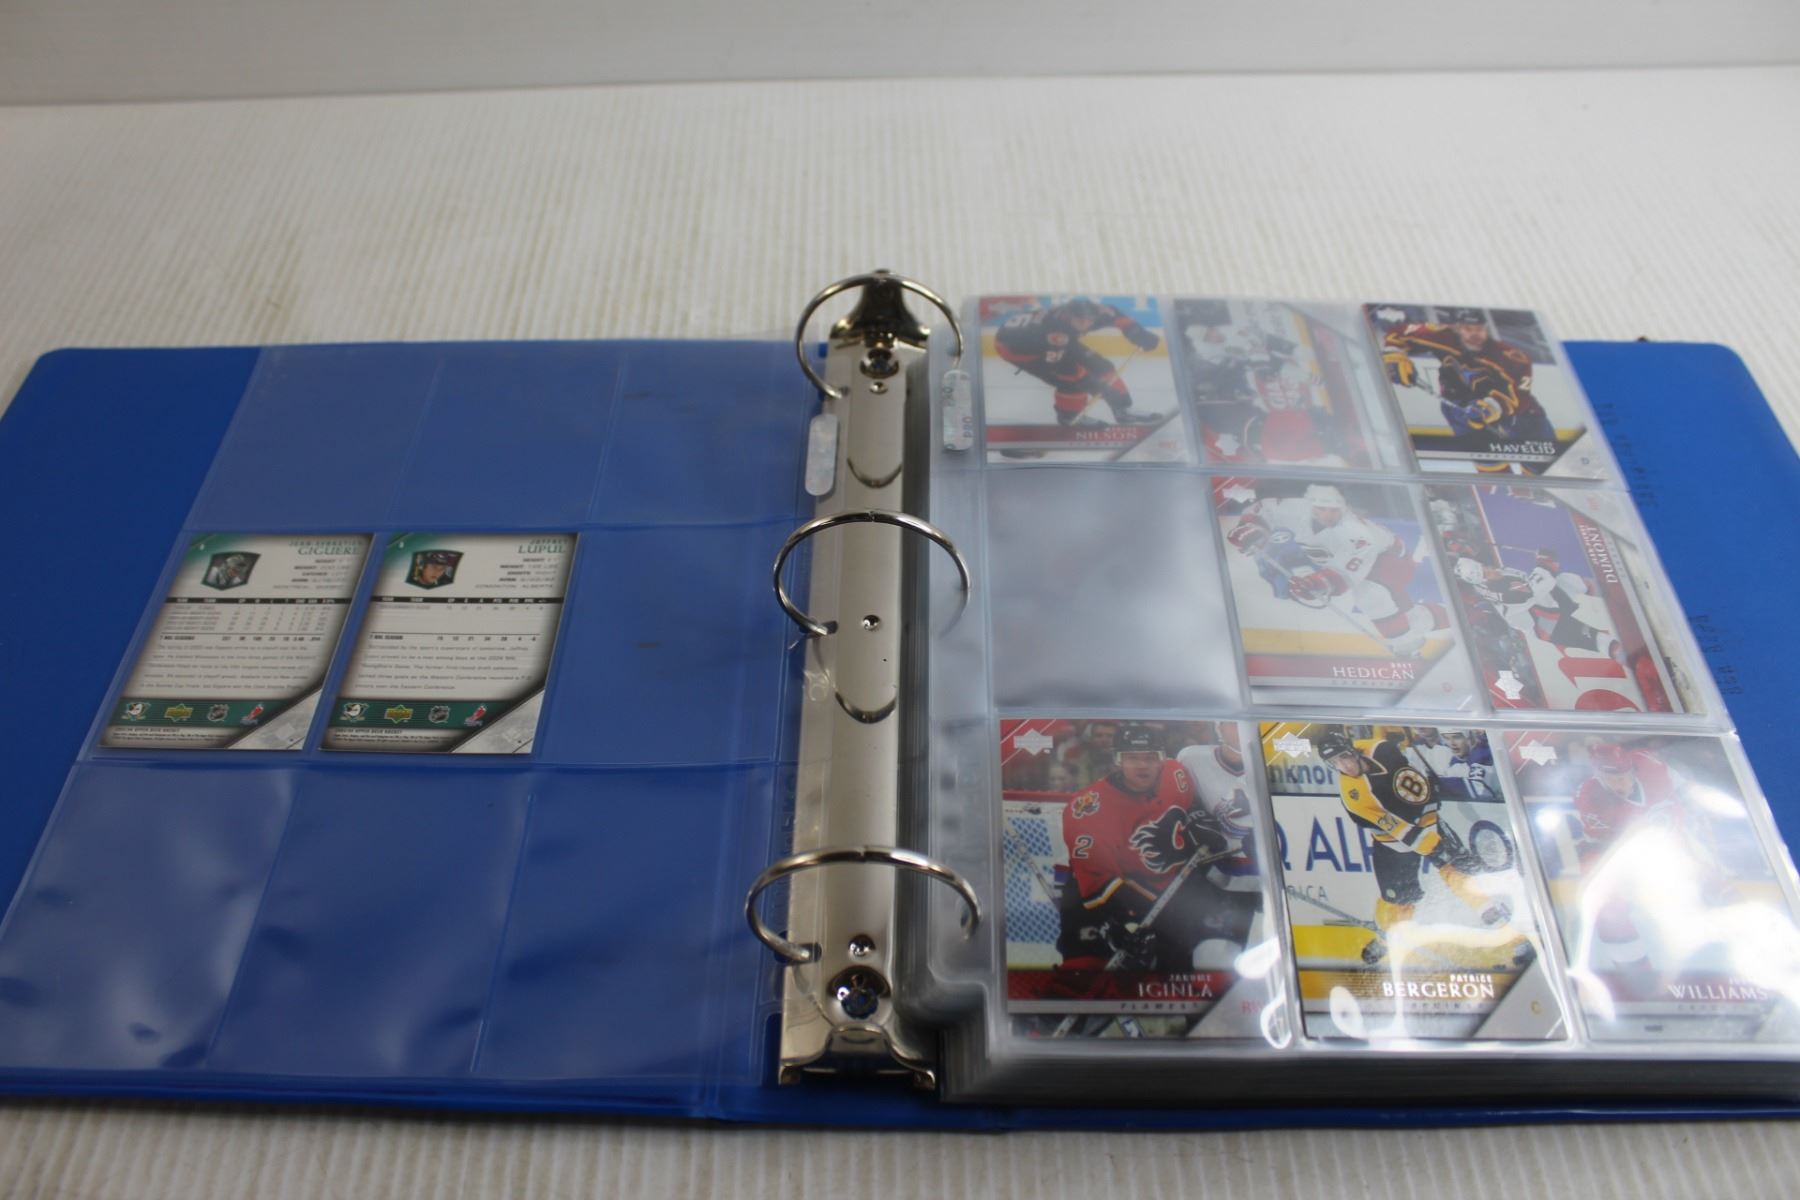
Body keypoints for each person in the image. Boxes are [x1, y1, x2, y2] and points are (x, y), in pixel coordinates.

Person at [1057, 725, 1251, 975]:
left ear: (1162, 759)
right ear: (1117, 760)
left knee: (1179, 971)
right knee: (1086, 972)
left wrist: (1198, 820)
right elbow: (1096, 882)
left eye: (1150, 757)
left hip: (1174, 891)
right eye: (1132, 758)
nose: (1142, 766)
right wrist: (1118, 923)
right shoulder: (1088, 808)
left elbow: (1191, 806)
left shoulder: (1176, 775)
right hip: (1112, 896)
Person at [1316, 729, 1510, 965]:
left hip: (1425, 818)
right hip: (1393, 842)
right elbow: (1397, 829)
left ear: (1353, 749)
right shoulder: (1354, 796)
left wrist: (1434, 824)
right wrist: (1432, 846)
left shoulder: (1381, 749)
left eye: (1344, 757)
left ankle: (1489, 910)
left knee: (1456, 866)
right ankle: (1385, 939)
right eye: (1334, 763)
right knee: (1397, 899)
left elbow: (1414, 779)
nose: (1344, 766)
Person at [1226, 484, 1450, 655]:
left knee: (1370, 595)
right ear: (1310, 505)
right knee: (1407, 615)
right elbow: (1263, 508)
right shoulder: (1296, 509)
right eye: (1321, 509)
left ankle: (1406, 646)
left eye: (1334, 510)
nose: (1327, 515)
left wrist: (1319, 583)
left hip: (1389, 560)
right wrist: (1251, 528)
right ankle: (1444, 619)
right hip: (1349, 558)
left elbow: (1347, 572)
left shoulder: (1358, 533)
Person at [1381, 308, 1555, 474]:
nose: (1474, 334)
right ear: (1457, 328)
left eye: (1479, 329)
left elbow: (1520, 396)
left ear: (1486, 329)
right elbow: (1399, 332)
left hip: (1520, 415)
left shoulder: (1510, 356)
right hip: (1462, 408)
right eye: (1468, 329)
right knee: (1489, 465)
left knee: (1540, 468)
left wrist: (1492, 407)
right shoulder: (1442, 335)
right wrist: (1395, 355)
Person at [994, 298, 1163, 429]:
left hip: (1048, 338)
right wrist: (1089, 383)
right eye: (1079, 320)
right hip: (1017, 348)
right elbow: (1057, 366)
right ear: (1069, 316)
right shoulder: (1056, 330)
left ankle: (1124, 410)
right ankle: (1070, 417)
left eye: (1089, 320)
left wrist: (1137, 332)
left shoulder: (1101, 313)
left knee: (1102, 367)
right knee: (1070, 380)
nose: (1084, 324)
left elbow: (1119, 317)